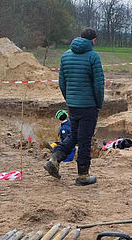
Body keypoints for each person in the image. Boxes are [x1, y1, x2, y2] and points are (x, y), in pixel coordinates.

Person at [44, 27, 104, 186]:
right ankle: (83, 175)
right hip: (88, 106)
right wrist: (99, 104)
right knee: (84, 140)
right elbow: (98, 84)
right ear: (93, 40)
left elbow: (62, 83)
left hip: (73, 105)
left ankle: (55, 158)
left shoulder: (65, 56)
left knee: (75, 135)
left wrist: (70, 99)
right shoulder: (93, 57)